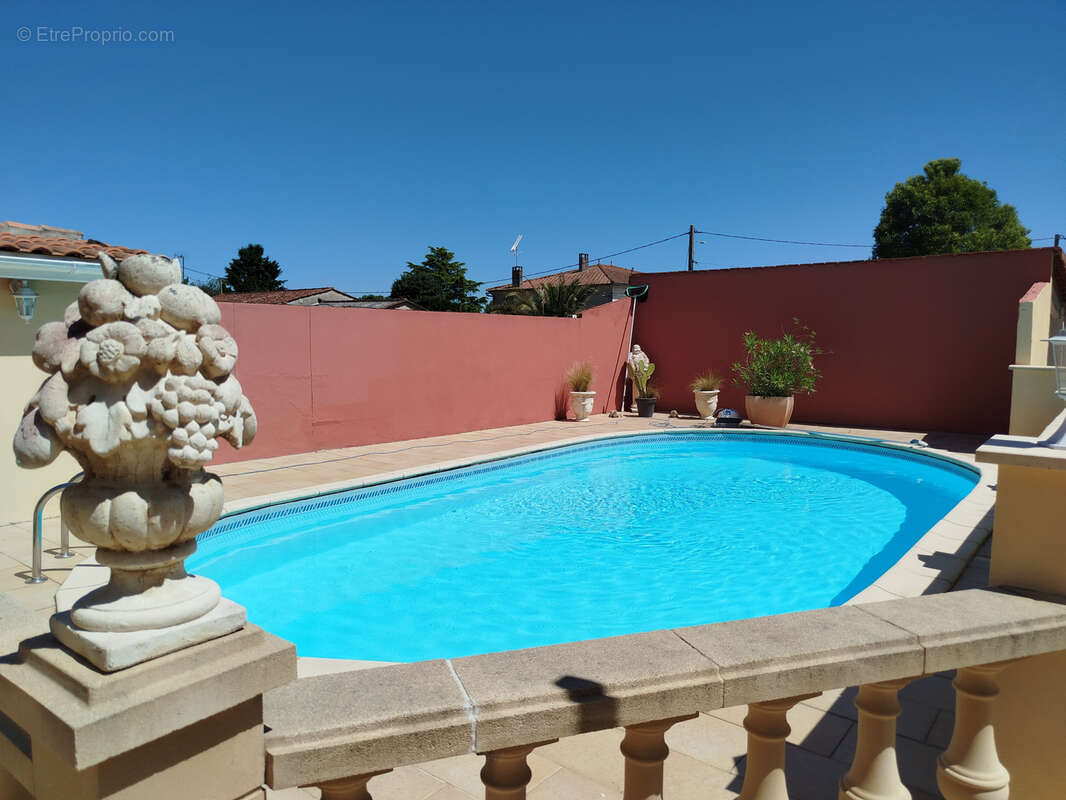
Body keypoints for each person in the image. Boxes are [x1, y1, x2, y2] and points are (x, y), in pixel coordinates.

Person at [626, 345, 650, 411]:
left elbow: (647, 360)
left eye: (638, 350)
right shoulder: (630, 355)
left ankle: (644, 402)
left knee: (643, 388)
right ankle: (635, 404)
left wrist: (645, 367)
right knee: (635, 389)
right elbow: (629, 362)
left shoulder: (642, 354)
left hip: (643, 373)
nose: (637, 351)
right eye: (635, 350)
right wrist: (634, 368)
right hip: (636, 374)